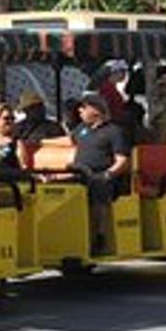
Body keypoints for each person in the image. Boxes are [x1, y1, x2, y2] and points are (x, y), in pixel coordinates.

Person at [66, 93, 130, 253]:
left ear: (96, 109)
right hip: (79, 173)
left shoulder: (114, 132)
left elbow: (122, 161)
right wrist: (36, 142)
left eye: (83, 107)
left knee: (97, 188)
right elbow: (67, 140)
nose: (79, 111)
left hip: (103, 175)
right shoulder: (82, 129)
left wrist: (107, 175)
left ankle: (99, 235)